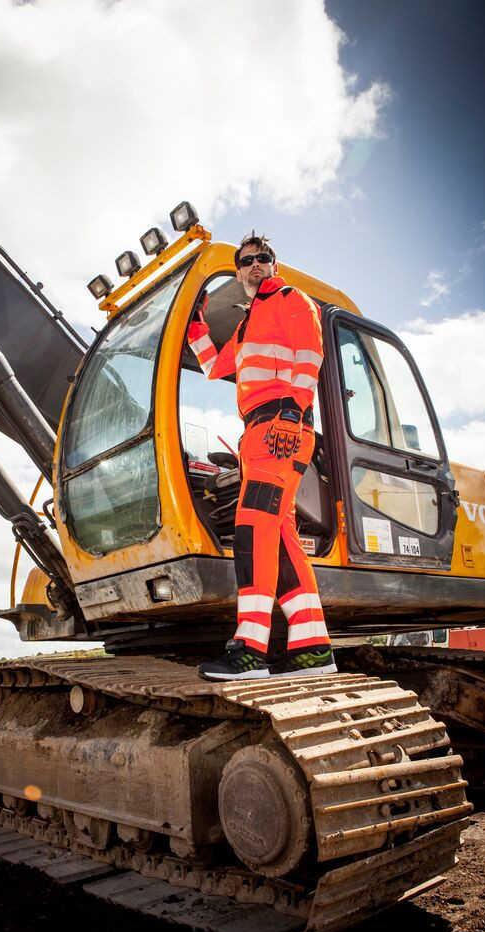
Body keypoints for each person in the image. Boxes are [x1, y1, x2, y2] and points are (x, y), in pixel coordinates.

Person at [187, 233, 336, 681]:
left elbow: (309, 354)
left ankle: (250, 649)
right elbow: (215, 367)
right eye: (247, 259)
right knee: (282, 537)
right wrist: (196, 328)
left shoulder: (291, 299)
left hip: (279, 427)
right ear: (239, 271)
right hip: (258, 434)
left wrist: (292, 412)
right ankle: (313, 649)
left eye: (263, 258)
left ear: (274, 265)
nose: (255, 264)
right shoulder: (247, 325)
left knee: (252, 528)